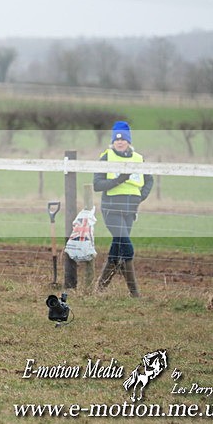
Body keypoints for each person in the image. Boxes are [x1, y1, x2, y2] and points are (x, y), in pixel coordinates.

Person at [94, 121, 153, 297]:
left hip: (130, 210)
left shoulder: (138, 159)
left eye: (123, 139)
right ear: (113, 141)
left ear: (128, 141)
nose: (119, 142)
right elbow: (97, 184)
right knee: (127, 248)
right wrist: (119, 179)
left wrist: (140, 197)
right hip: (111, 210)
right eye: (116, 139)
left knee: (117, 247)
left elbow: (149, 180)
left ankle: (99, 289)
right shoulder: (106, 157)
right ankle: (135, 293)